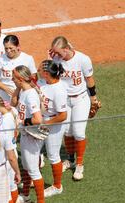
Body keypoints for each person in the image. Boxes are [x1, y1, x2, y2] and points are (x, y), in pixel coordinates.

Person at [49, 36, 101, 181]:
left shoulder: (83, 59)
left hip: (80, 99)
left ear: (66, 49)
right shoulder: (56, 60)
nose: (57, 56)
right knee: (67, 131)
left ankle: (79, 164)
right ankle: (70, 159)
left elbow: (89, 79)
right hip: (64, 100)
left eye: (59, 53)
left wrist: (93, 99)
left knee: (78, 132)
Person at [11, 65, 44, 203]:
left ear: (20, 79)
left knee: (33, 170)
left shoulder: (31, 95)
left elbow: (37, 119)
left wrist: (22, 121)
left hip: (32, 136)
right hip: (26, 134)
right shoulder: (23, 91)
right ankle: (25, 195)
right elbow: (13, 103)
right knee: (25, 166)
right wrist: (18, 87)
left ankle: (41, 201)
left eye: (14, 77)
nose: (12, 79)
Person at [37, 60, 68, 197]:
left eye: (42, 69)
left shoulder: (59, 90)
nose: (39, 70)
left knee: (53, 156)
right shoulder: (44, 82)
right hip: (42, 121)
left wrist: (47, 123)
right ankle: (34, 179)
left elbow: (63, 115)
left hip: (54, 124)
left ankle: (57, 186)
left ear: (47, 74)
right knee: (35, 150)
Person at [0, 34, 37, 102]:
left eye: (11, 48)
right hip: (5, 95)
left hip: (23, 94)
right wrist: (5, 88)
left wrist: (25, 88)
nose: (8, 51)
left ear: (18, 46)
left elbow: (34, 77)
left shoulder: (28, 59)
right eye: (6, 48)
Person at [0, 95, 22, 203]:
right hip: (10, 150)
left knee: (8, 188)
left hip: (8, 154)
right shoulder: (12, 112)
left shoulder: (4, 120)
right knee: (12, 185)